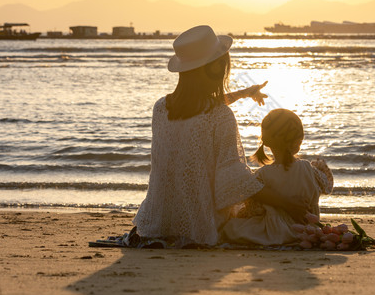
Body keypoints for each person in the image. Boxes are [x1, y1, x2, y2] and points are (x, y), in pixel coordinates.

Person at [133, 25, 308, 247]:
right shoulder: (220, 116)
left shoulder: (161, 108)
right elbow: (234, 181)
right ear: (216, 70)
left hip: (156, 222)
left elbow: (197, 110)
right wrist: (287, 204)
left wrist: (244, 93)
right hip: (201, 225)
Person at [220, 108, 333, 246]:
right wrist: (321, 166)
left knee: (231, 228)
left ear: (266, 142)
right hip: (308, 229)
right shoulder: (308, 169)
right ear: (299, 142)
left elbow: (255, 209)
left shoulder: (263, 174)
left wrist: (241, 214)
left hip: (276, 231)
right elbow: (327, 186)